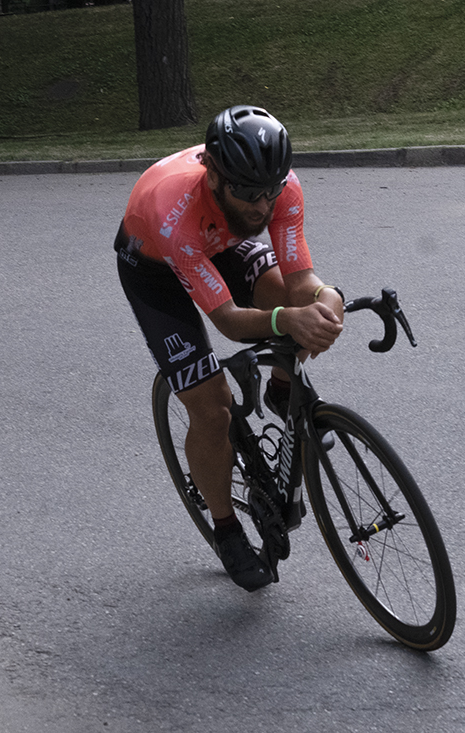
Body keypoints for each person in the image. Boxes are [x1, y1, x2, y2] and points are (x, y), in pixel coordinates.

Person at [115, 105, 345, 592]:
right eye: (247, 193)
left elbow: (301, 281)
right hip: (156, 266)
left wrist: (328, 300)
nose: (262, 207)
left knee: (291, 301)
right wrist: (289, 320)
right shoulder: (170, 209)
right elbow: (229, 323)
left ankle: (284, 393)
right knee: (212, 407)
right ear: (214, 176)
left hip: (217, 242)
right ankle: (225, 529)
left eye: (270, 192)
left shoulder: (276, 187)